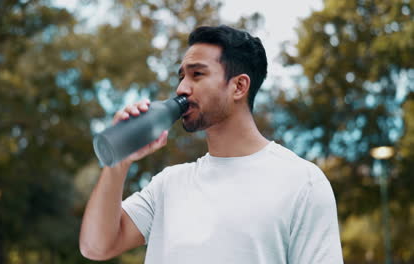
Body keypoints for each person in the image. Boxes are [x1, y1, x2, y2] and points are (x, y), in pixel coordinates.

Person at [79, 25, 344, 263]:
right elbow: (96, 247)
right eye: (181, 76)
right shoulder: (168, 184)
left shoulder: (302, 182)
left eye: (197, 74)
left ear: (239, 86)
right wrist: (120, 162)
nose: (181, 88)